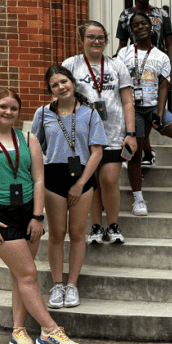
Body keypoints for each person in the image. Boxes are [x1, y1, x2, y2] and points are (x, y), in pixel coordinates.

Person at [0, 88, 80, 344]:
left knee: (19, 275)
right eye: (3, 106)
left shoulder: (29, 139)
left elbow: (39, 179)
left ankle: (18, 331)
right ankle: (50, 331)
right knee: (28, 273)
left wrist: (38, 216)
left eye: (14, 108)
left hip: (28, 214)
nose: (8, 112)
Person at [32, 66, 107, 309]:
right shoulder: (42, 114)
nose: (61, 87)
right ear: (50, 90)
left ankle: (72, 285)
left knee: (76, 233)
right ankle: (57, 285)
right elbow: (34, 150)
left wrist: (81, 183)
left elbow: (97, 152)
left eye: (63, 81)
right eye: (55, 85)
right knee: (56, 234)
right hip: (53, 177)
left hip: (81, 178)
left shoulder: (89, 113)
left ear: (72, 82)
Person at [119, 11, 172, 217]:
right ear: (131, 31)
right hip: (133, 110)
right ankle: (138, 198)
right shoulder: (124, 54)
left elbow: (164, 87)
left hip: (152, 107)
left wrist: (159, 114)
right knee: (136, 153)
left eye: (143, 24)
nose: (140, 27)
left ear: (150, 27)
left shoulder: (161, 56)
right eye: (136, 25)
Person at [63, 20, 138, 245]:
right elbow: (61, 99)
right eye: (91, 37)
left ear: (106, 40)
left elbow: (127, 102)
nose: (96, 41)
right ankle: (96, 227)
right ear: (82, 39)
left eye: (101, 38)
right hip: (83, 135)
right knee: (91, 182)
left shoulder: (117, 66)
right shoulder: (71, 64)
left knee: (109, 179)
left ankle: (113, 226)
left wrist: (131, 133)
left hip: (113, 134)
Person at [116, 0, 172, 168]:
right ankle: (140, 151)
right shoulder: (126, 15)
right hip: (132, 72)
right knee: (135, 110)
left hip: (155, 70)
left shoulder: (161, 14)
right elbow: (122, 46)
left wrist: (170, 74)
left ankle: (146, 150)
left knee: (151, 109)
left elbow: (169, 46)